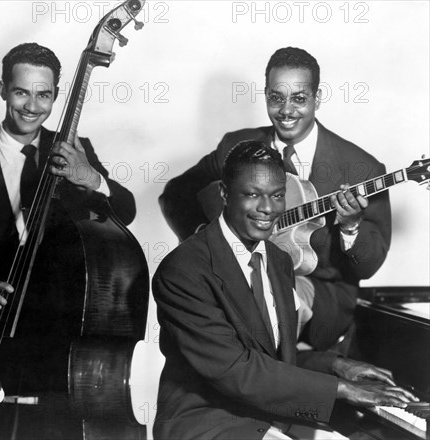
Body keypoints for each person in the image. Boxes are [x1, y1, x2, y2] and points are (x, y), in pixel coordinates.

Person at [153, 140, 414, 440]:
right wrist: (344, 390)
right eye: (252, 195)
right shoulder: (183, 270)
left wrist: (338, 366)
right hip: (208, 423)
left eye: (277, 196)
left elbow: (273, 359)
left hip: (267, 415)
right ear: (225, 193)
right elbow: (239, 371)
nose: (267, 208)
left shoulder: (278, 259)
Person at [158, 47, 390, 351]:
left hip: (315, 289)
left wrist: (350, 228)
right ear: (266, 94)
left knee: (261, 302)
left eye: (299, 98)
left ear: (317, 99)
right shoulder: (237, 145)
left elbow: (367, 266)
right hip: (237, 274)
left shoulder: (361, 168)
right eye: (276, 97)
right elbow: (177, 193)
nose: (286, 110)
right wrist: (205, 235)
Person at [0, 42, 136, 311]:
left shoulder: (75, 152)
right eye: (21, 92)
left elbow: (126, 213)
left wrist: (92, 178)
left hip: (65, 314)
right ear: (3, 90)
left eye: (43, 95)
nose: (32, 107)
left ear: (56, 95)